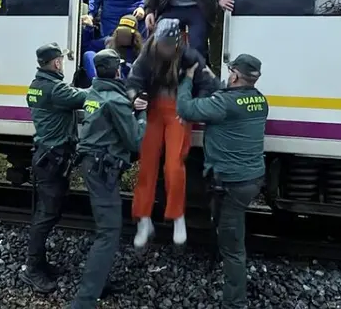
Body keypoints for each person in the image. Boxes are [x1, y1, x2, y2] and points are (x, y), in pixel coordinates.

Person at [175, 54, 268, 309]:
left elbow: (185, 108)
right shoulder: (260, 101)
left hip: (232, 183)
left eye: (230, 71)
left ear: (235, 75)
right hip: (252, 178)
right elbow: (225, 102)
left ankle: (234, 303)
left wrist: (187, 79)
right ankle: (223, 259)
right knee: (225, 227)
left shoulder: (224, 103)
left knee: (233, 248)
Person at [127, 18, 219, 248]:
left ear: (177, 43)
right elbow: (132, 82)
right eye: (161, 44)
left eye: (168, 45)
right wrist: (135, 97)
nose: (164, 48)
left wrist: (195, 106)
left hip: (179, 110)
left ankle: (178, 217)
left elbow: (211, 84)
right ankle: (144, 219)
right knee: (147, 165)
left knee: (174, 165)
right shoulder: (148, 54)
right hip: (153, 110)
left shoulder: (190, 56)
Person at [71, 48, 148, 309]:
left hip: (93, 165)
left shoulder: (94, 92)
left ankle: (99, 284)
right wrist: (141, 115)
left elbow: (109, 105)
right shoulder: (115, 100)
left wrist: (129, 104)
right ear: (118, 70)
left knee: (106, 229)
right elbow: (136, 140)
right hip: (103, 169)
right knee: (109, 233)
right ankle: (84, 302)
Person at [20, 43, 88, 294]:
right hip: (53, 159)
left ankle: (39, 263)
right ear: (57, 63)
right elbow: (87, 98)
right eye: (61, 60)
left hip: (47, 157)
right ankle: (32, 269)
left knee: (48, 213)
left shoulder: (36, 86)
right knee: (46, 215)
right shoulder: (56, 90)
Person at [82, 15, 144, 80]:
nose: (123, 36)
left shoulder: (140, 52)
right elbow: (87, 46)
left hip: (124, 85)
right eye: (121, 32)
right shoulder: (109, 42)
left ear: (134, 36)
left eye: (127, 34)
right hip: (104, 80)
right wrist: (89, 27)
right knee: (89, 54)